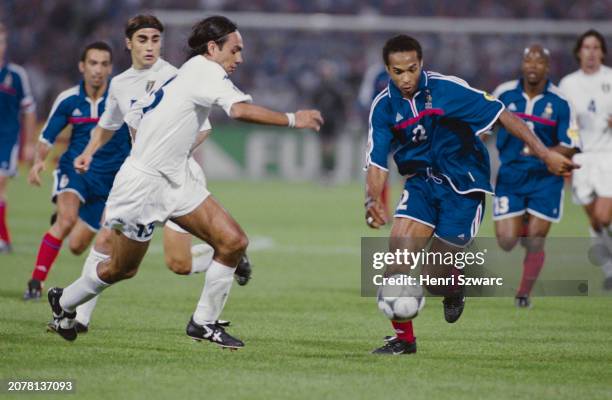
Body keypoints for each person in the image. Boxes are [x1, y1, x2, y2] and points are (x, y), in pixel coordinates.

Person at [46, 15, 323, 348]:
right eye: (235, 50)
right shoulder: (205, 71)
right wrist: (294, 119)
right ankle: (64, 301)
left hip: (176, 177)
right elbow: (238, 111)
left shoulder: (191, 70)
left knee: (233, 241)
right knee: (122, 268)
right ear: (213, 47)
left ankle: (203, 323)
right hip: (143, 185)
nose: (240, 58)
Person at [364, 35, 576, 355]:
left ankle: (454, 286)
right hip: (421, 183)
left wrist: (545, 155)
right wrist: (372, 200)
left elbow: (504, 115)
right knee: (397, 260)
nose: (406, 78)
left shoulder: (447, 90)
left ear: (421, 64)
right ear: (387, 70)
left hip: (463, 187)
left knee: (433, 280)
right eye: (398, 71)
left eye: (412, 69)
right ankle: (404, 340)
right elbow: (376, 161)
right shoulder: (383, 106)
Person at [43, 15, 252, 332]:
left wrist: (164, 151)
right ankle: (77, 316)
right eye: (143, 39)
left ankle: (223, 261)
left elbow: (204, 128)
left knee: (167, 259)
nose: (150, 46)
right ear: (129, 44)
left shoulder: (177, 75)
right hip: (142, 181)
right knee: (137, 253)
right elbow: (107, 126)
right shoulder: (120, 84)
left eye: (156, 39)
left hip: (176, 178)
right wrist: (88, 152)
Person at [23, 42, 120, 300]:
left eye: (103, 64)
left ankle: (69, 216)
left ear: (110, 68)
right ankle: (36, 282)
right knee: (65, 221)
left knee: (77, 246)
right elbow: (47, 136)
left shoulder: (120, 99)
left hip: (106, 180)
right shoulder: (68, 99)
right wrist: (38, 161)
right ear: (82, 66)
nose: (97, 70)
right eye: (92, 63)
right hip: (74, 169)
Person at [492, 45, 580, 308]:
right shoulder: (504, 93)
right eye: (527, 60)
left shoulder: (561, 102)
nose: (532, 66)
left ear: (547, 67)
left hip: (545, 178)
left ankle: (523, 293)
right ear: (522, 64)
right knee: (507, 242)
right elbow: (486, 123)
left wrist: (542, 154)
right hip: (511, 175)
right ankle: (523, 219)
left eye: (538, 62)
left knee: (535, 239)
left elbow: (571, 143)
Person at [559, 30, 612, 290]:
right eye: (586, 47)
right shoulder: (568, 84)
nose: (591, 52)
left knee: (603, 216)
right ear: (579, 52)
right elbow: (562, 120)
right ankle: (609, 269)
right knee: (595, 221)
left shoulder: (611, 78)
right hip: (582, 159)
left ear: (602, 52)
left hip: (608, 156)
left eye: (596, 47)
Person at [0, 22, 37, 253]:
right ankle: (4, 238)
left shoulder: (16, 75)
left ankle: (3, 239)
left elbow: (29, 109)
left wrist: (30, 143)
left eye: (1, 41)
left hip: (7, 140)